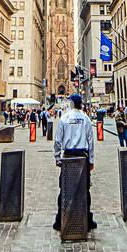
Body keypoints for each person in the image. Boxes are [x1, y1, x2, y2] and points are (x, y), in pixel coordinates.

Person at [53, 94, 96, 232]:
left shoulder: (64, 118)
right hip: (82, 156)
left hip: (68, 156)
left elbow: (58, 140)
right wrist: (91, 160)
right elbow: (90, 141)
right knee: (85, 189)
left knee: (64, 188)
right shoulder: (86, 119)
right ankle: (87, 220)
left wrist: (57, 157)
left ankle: (60, 220)